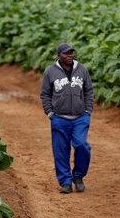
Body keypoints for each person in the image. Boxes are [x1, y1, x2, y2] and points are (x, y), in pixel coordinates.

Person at [40, 43, 94, 194]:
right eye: (66, 53)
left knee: (82, 145)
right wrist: (50, 112)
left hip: (80, 117)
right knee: (60, 151)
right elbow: (45, 94)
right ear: (58, 56)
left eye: (71, 53)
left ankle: (78, 176)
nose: (70, 55)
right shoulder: (50, 72)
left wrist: (88, 110)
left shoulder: (82, 69)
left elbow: (89, 90)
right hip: (59, 118)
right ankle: (65, 182)